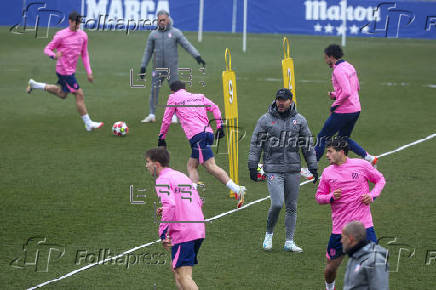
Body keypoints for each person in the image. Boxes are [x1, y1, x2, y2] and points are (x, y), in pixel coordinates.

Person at [248, 88, 318, 252]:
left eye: (284, 100)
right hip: (273, 168)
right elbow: (255, 144)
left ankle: (289, 241)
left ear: (291, 101)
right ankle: (269, 234)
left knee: (292, 206)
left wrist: (313, 166)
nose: (280, 102)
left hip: (293, 169)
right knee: (278, 203)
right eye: (278, 99)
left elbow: (307, 145)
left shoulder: (300, 121)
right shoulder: (265, 120)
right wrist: (253, 164)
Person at [158, 80, 246, 208]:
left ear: (172, 91)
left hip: (197, 136)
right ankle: (192, 196)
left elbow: (167, 119)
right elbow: (215, 107)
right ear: (185, 88)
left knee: (210, 166)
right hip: (208, 134)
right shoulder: (198, 97)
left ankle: (237, 189)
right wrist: (220, 126)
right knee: (191, 165)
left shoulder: (173, 98)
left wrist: (162, 137)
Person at [315, 137, 386, 290]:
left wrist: (372, 195)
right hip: (340, 230)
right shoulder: (327, 173)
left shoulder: (362, 165)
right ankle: (330, 287)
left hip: (363, 226)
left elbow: (380, 180)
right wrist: (331, 197)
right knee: (330, 269)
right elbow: (319, 197)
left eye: (330, 151)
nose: (326, 155)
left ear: (341, 152)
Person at [302, 44, 377, 180]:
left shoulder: (338, 70)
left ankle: (310, 170)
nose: (325, 61)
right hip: (355, 109)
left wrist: (335, 104)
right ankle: (368, 158)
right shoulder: (349, 66)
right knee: (343, 139)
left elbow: (347, 92)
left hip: (344, 110)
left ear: (331, 57)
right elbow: (356, 88)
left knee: (322, 137)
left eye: (326, 58)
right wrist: (336, 94)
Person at [26, 11, 103, 132]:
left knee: (62, 94)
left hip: (71, 71)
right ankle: (88, 123)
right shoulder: (61, 35)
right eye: (75, 24)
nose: (77, 26)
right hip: (63, 71)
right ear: (70, 21)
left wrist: (89, 71)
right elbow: (47, 49)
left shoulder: (83, 35)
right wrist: (53, 56)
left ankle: (35, 85)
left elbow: (84, 54)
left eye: (79, 24)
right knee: (79, 93)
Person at [145, 147, 205, 290]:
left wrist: (163, 232)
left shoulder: (162, 180)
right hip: (197, 227)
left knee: (184, 276)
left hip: (183, 232)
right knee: (177, 271)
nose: (146, 165)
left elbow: (170, 204)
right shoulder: (181, 175)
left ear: (156, 164)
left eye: (147, 162)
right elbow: (197, 200)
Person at [139, 10, 206, 124]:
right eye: (159, 20)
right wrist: (143, 66)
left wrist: (197, 56)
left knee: (176, 92)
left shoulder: (175, 33)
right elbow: (148, 51)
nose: (161, 22)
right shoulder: (153, 34)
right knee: (154, 91)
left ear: (168, 19)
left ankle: (174, 115)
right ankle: (152, 114)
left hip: (172, 68)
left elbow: (186, 45)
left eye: (163, 20)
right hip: (157, 69)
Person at [342, 221, 389, 290]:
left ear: (350, 239)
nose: (341, 241)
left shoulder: (375, 261)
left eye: (343, 237)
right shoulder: (354, 257)